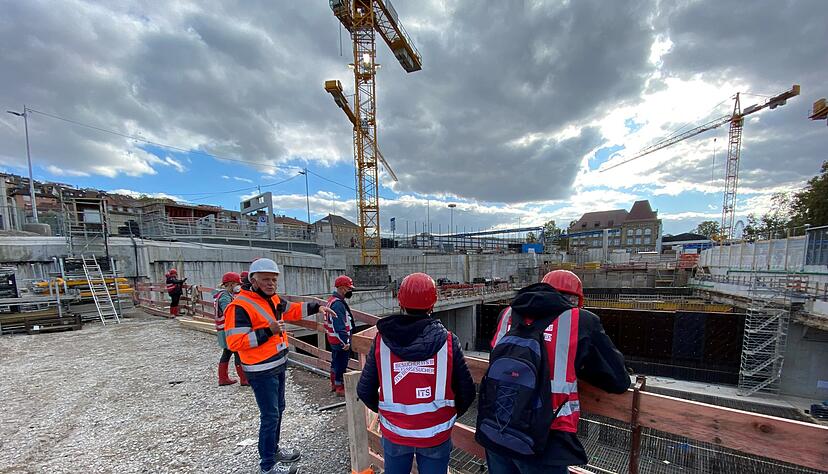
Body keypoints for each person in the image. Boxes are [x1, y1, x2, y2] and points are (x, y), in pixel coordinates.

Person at [485, 270, 630, 473]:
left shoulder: (507, 314)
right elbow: (618, 380)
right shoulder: (581, 320)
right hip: (547, 435)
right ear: (577, 299)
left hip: (497, 424)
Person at [357, 272, 476, 474]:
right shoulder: (448, 342)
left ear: (400, 301)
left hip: (395, 433)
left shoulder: (381, 341)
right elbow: (467, 393)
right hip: (435, 433)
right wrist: (446, 416)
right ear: (433, 303)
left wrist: (388, 414)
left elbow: (365, 390)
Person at [225, 258, 335, 474]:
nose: (271, 284)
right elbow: (234, 342)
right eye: (266, 279)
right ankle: (267, 465)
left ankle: (273, 451)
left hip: (277, 366)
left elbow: (293, 309)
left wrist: (318, 306)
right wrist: (268, 331)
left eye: (274, 279)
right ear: (253, 280)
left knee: (278, 411)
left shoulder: (272, 299)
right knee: (270, 416)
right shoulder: (239, 306)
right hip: (260, 370)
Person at [213, 272, 247, 386]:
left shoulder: (220, 294)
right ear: (231, 284)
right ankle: (244, 379)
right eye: (237, 284)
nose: (239, 286)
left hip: (223, 329)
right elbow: (228, 310)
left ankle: (223, 378)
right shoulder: (225, 296)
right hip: (228, 330)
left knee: (227, 353)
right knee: (238, 353)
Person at [325, 275, 355, 397]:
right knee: (341, 364)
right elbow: (339, 326)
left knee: (335, 362)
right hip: (339, 341)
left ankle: (334, 383)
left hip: (333, 339)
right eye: (349, 289)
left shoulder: (331, 300)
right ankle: (339, 387)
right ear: (342, 288)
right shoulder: (338, 305)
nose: (350, 291)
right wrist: (345, 342)